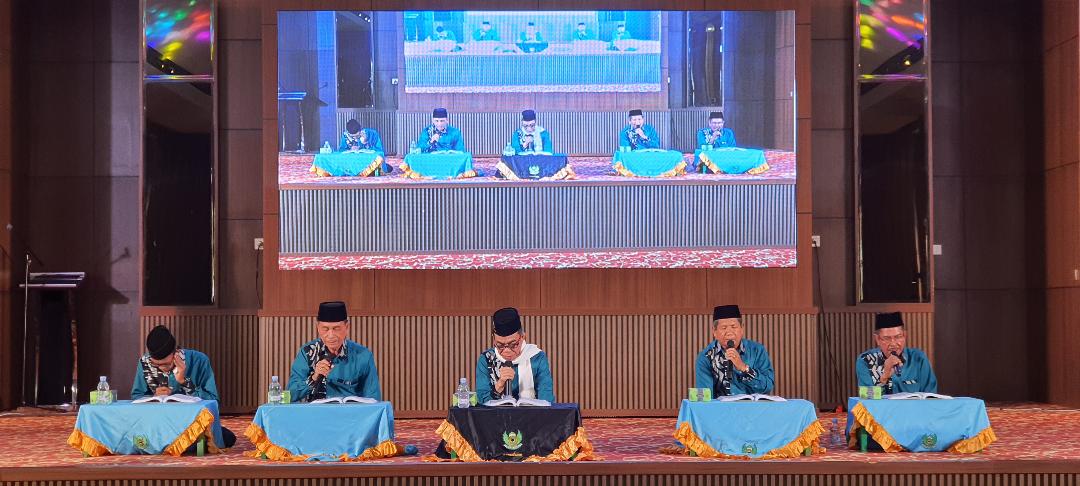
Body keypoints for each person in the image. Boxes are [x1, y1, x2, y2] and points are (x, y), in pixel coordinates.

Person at [132, 326, 236, 448]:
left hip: (189, 424)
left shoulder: (199, 360)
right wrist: (153, 397)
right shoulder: (145, 363)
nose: (162, 368)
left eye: (166, 364)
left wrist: (184, 382)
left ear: (175, 352)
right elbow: (136, 397)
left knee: (227, 437)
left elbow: (213, 401)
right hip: (159, 424)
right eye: (156, 365)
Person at [287, 301, 382, 402]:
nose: (331, 335)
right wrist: (314, 378)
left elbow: (373, 399)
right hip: (315, 411)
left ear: (346, 327)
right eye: (325, 329)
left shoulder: (363, 355)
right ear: (318, 328)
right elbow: (290, 395)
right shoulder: (307, 352)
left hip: (350, 411)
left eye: (336, 329)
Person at [475, 307, 555, 403]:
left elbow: (546, 399)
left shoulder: (537, 357)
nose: (507, 350)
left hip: (532, 412)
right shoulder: (486, 359)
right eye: (500, 345)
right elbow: (482, 401)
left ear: (522, 337)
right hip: (496, 413)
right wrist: (499, 385)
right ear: (494, 340)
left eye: (513, 344)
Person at [694, 305, 775, 396]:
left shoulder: (757, 351)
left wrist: (744, 368)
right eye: (724, 328)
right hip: (721, 405)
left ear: (742, 328)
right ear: (714, 331)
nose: (729, 332)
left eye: (733, 327)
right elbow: (705, 396)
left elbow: (768, 386)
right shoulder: (706, 357)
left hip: (752, 405)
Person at [856, 312, 938, 394]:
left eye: (898, 337)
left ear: (904, 336)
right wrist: (884, 376)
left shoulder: (918, 358)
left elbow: (931, 393)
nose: (893, 343)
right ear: (877, 339)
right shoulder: (865, 360)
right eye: (887, 338)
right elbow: (866, 396)